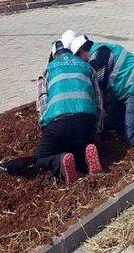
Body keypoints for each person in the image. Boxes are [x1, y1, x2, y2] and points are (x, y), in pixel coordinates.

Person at [34, 40, 102, 184]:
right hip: (86, 122)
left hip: (59, 123)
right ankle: (85, 154)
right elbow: (98, 102)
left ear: (53, 55)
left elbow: (42, 105)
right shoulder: (88, 67)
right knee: (79, 142)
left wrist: (46, 128)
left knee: (41, 156)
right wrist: (97, 131)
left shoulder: (47, 71)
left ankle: (60, 162)